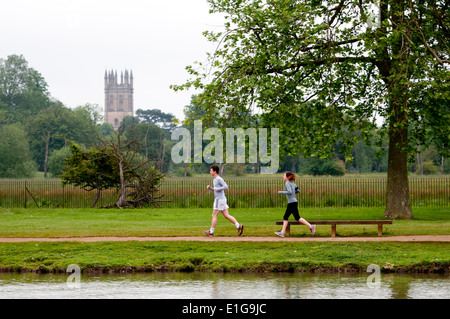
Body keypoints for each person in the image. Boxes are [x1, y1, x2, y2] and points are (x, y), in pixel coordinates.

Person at [202, 165, 244, 237]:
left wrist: (216, 189)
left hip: (219, 200)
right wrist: (210, 188)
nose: (210, 172)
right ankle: (238, 226)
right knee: (226, 215)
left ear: (215, 171)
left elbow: (226, 187)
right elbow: (216, 189)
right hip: (221, 199)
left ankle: (211, 232)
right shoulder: (215, 179)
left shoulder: (219, 179)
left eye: (211, 171)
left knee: (214, 215)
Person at [275, 171, 316, 237]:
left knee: (286, 217)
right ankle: (311, 226)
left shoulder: (287, 183)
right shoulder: (293, 183)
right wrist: (293, 193)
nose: (283, 177)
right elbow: (298, 190)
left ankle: (282, 232)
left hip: (291, 202)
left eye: (284, 175)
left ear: (287, 177)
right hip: (294, 202)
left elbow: (290, 192)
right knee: (297, 218)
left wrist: (281, 192)